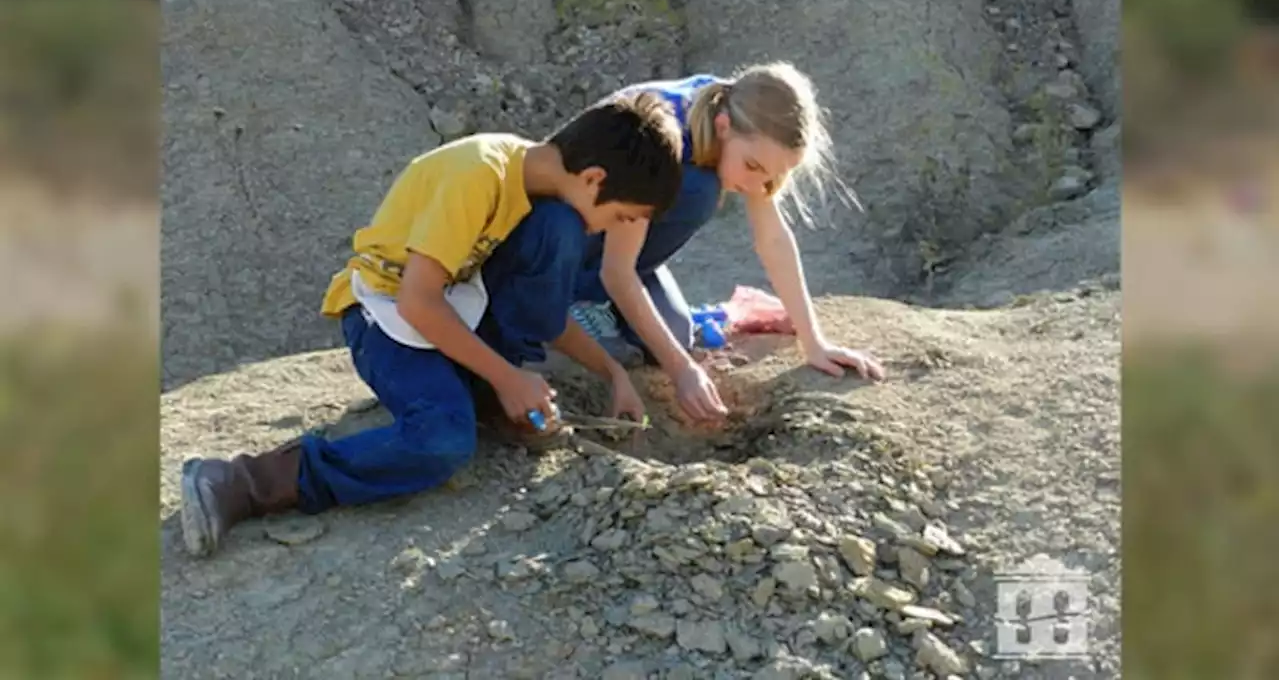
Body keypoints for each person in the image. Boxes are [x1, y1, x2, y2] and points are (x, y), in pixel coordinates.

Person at [179, 92, 684, 558]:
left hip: (456, 310)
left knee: (556, 230)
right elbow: (417, 303)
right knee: (442, 442)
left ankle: (485, 397)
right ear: (595, 178)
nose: (612, 229)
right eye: (621, 215)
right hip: (384, 315)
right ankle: (243, 482)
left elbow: (542, 314)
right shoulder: (480, 174)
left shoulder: (545, 199)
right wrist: (509, 377)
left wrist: (612, 373)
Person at [570, 62, 887, 423]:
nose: (756, 185)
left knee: (675, 333)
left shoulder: (736, 113)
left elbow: (772, 239)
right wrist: (683, 372)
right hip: (563, 239)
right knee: (699, 190)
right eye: (752, 167)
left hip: (620, 249)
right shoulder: (662, 139)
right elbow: (617, 272)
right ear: (723, 128)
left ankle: (599, 304)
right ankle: (579, 296)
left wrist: (814, 343)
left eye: (772, 175)